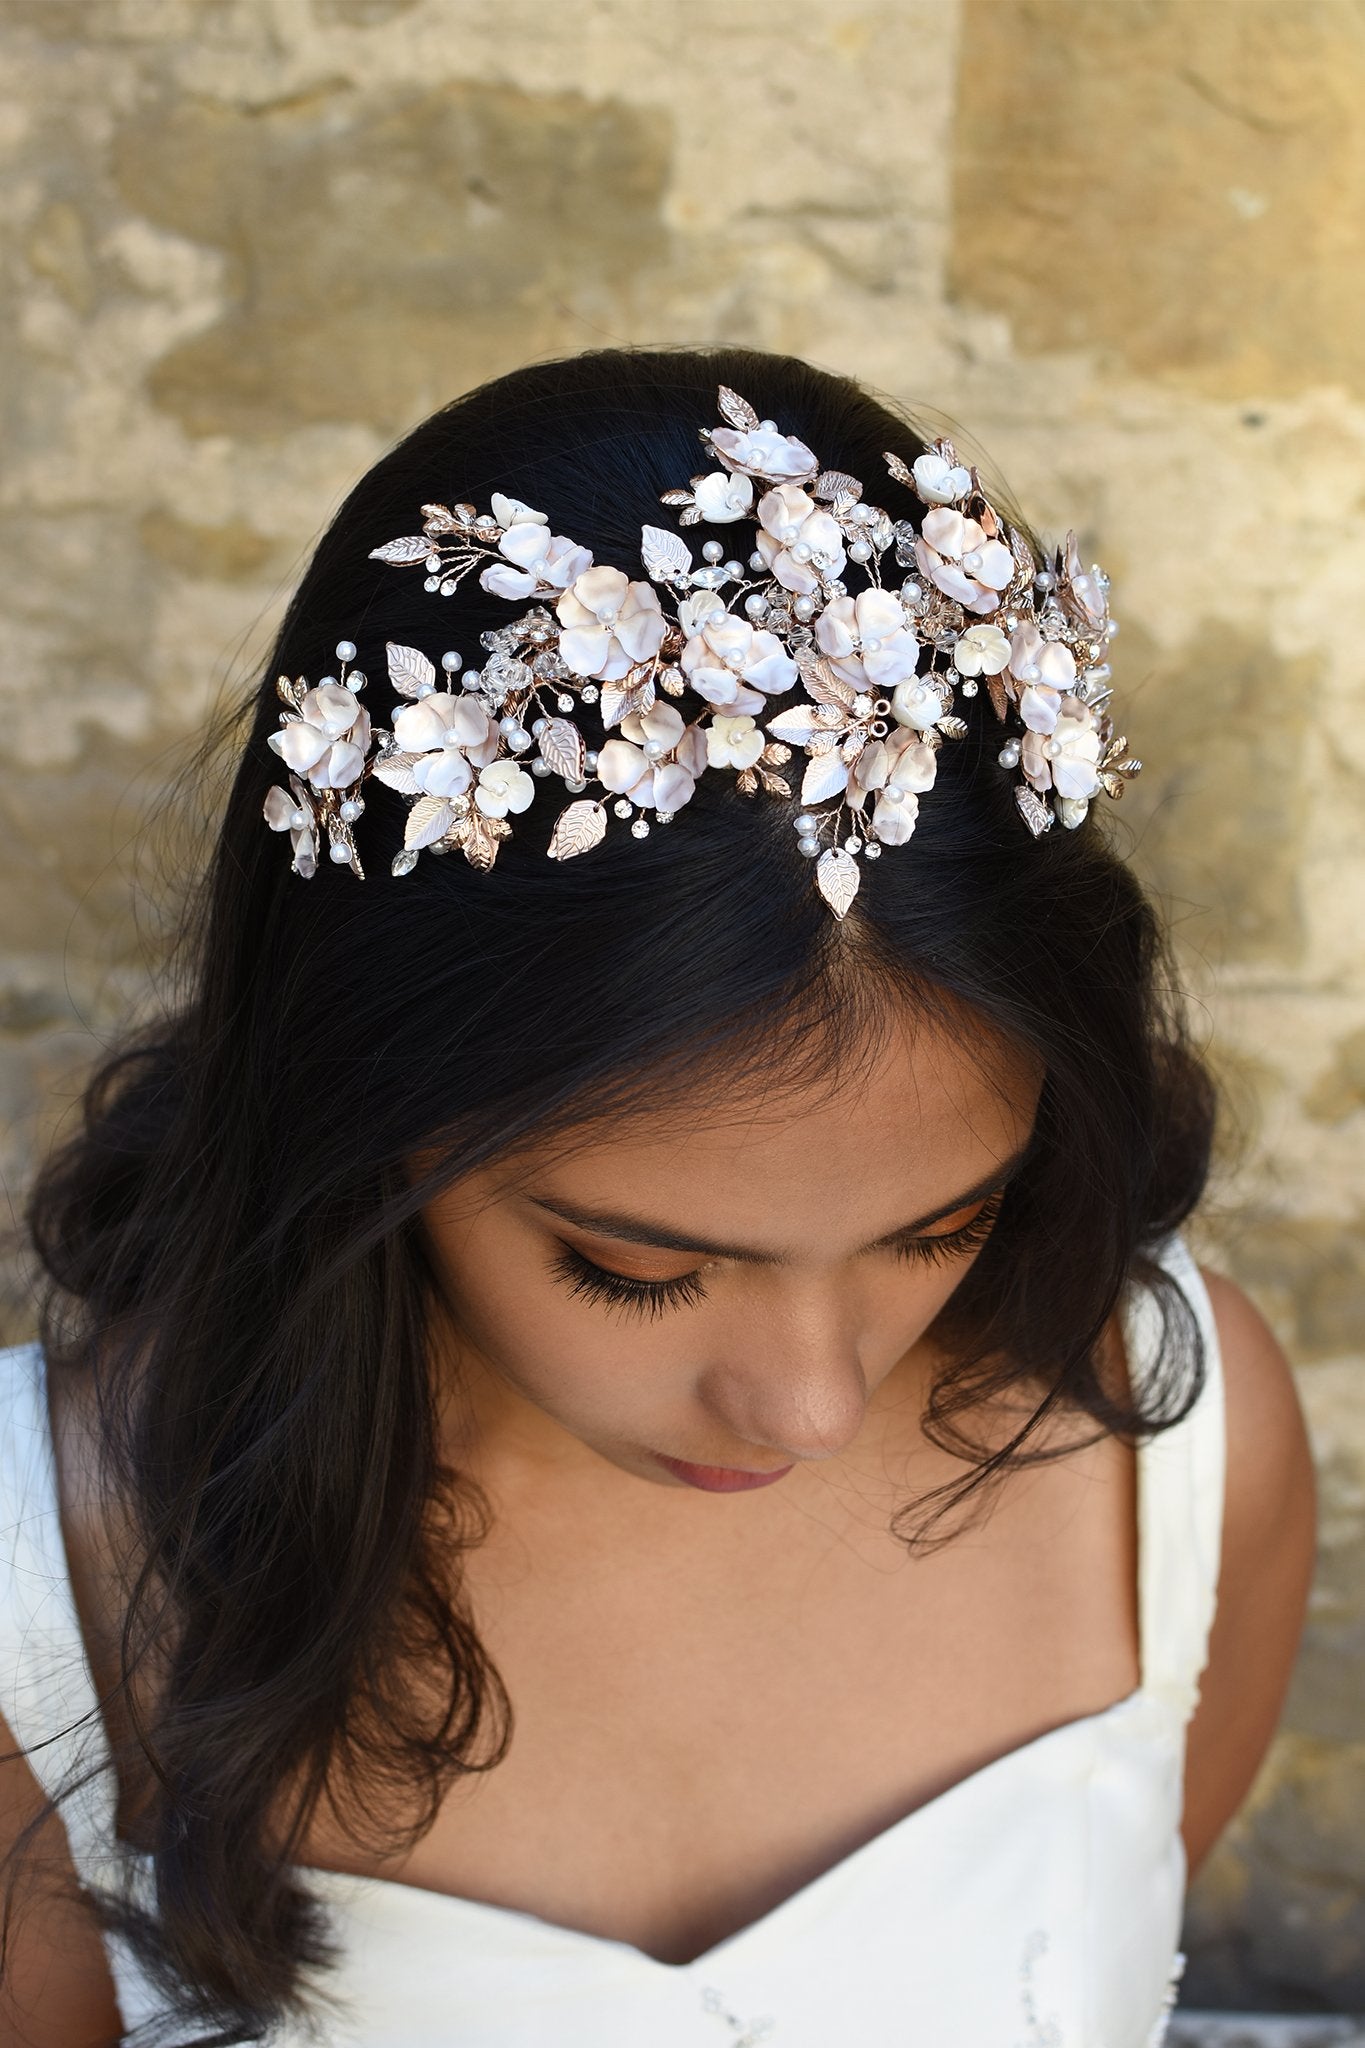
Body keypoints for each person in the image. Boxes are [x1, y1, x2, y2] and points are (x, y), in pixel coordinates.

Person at [0, 346, 1315, 2047]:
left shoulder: (1171, 1441)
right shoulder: (47, 1594)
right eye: (633, 1266)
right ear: (363, 1110)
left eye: (942, 1227)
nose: (814, 1401)